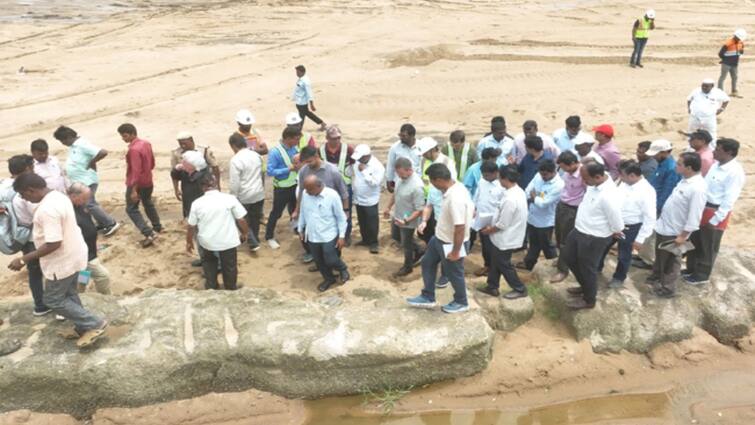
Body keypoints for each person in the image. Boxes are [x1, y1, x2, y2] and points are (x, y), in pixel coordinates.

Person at [8, 173, 108, 348]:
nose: (24, 199)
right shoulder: (58, 196)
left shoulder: (47, 210)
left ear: (30, 191)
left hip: (62, 262)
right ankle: (84, 327)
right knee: (70, 293)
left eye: (23, 195)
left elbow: (53, 243)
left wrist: (23, 259)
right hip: (76, 255)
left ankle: (94, 323)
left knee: (53, 300)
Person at [407, 163, 474, 314]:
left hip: (451, 243)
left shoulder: (455, 198)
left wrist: (456, 251)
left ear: (438, 180)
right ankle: (428, 296)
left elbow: (460, 227)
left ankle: (461, 301)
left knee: (454, 272)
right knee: (427, 262)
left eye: (431, 181)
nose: (431, 185)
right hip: (439, 237)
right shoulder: (455, 188)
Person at [562, 161, 624, 310]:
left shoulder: (609, 195)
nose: (583, 181)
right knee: (569, 258)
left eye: (585, 178)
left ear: (597, 177)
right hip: (579, 230)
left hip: (594, 236)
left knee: (587, 268)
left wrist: (614, 231)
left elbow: (617, 223)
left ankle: (589, 300)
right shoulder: (595, 183)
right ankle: (584, 286)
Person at [685, 138, 745, 285]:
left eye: (718, 149)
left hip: (715, 210)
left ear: (729, 152)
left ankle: (702, 275)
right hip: (703, 207)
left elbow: (729, 199)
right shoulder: (716, 166)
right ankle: (691, 268)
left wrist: (716, 219)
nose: (714, 152)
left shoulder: (735, 172)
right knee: (695, 239)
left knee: (709, 244)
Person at [648, 152, 706, 298]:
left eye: (679, 164)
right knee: (661, 255)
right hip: (665, 226)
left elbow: (695, 215)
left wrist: (683, 236)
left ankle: (667, 289)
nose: (676, 166)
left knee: (671, 262)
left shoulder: (697, 188)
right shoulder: (684, 180)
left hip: (676, 231)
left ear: (689, 168)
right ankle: (656, 276)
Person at [596, 160, 656, 288]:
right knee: (602, 246)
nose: (620, 178)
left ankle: (619, 277)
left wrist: (640, 239)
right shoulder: (624, 184)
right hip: (614, 224)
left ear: (632, 175)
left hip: (629, 228)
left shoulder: (647, 191)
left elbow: (650, 218)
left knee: (624, 254)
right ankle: (597, 268)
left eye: (622, 175)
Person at [187, 174, 248, 290]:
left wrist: (189, 242)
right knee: (229, 266)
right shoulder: (229, 199)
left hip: (207, 241)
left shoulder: (197, 203)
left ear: (202, 187)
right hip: (227, 240)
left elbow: (191, 226)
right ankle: (230, 287)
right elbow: (241, 219)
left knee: (209, 264)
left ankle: (211, 286)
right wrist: (245, 233)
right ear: (216, 184)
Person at [53, 125, 118, 235]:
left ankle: (110, 223)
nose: (62, 143)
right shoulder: (75, 146)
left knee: (89, 204)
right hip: (81, 180)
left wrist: (92, 162)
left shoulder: (82, 144)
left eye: (62, 140)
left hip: (87, 180)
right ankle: (102, 223)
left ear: (68, 137)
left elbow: (102, 152)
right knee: (89, 203)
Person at [476, 165, 529, 299]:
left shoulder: (511, 199)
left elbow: (503, 224)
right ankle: (492, 286)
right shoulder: (517, 191)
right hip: (502, 237)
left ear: (505, 179)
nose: (499, 181)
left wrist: (489, 230)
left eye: (500, 178)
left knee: (504, 264)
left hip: (506, 237)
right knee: (495, 261)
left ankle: (519, 288)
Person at [5, 155, 47, 316]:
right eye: (32, 167)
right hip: (35, 236)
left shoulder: (3, 187)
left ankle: (40, 305)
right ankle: (56, 304)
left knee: (34, 271)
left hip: (19, 236)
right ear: (27, 169)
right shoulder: (24, 190)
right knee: (49, 268)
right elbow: (37, 213)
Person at [294, 146, 349, 263]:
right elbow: (301, 192)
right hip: (312, 209)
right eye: (305, 162)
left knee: (331, 242)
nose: (308, 164)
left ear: (316, 156)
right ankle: (320, 262)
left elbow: (344, 192)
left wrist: (346, 210)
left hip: (330, 210)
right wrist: (297, 209)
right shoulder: (304, 170)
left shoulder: (332, 171)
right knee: (314, 239)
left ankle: (335, 264)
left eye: (309, 161)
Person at [297, 175, 349, 292]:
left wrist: (341, 236)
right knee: (319, 261)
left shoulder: (332, 195)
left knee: (331, 259)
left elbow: (341, 217)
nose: (307, 192)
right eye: (305, 189)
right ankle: (329, 278)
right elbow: (303, 212)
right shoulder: (306, 194)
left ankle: (342, 269)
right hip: (312, 235)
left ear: (318, 186)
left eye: (310, 189)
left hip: (329, 234)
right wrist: (300, 228)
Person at [119, 123, 161, 248]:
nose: (123, 139)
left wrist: (133, 189)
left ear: (132, 133)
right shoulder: (146, 144)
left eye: (125, 136)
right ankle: (157, 226)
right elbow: (152, 163)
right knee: (147, 202)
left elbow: (135, 171)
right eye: (122, 136)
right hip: (148, 180)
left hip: (137, 183)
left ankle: (149, 233)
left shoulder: (134, 150)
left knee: (131, 209)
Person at [519, 160, 564, 270]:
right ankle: (529, 263)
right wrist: (535, 198)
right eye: (541, 174)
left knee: (546, 245)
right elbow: (527, 191)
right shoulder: (538, 176)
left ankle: (553, 265)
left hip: (546, 221)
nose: (543, 177)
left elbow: (543, 204)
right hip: (533, 216)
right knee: (533, 243)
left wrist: (534, 197)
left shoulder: (559, 185)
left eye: (545, 174)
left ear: (553, 172)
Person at [383, 157, 425, 277]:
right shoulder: (400, 179)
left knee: (406, 245)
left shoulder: (417, 186)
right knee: (396, 236)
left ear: (409, 170)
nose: (399, 176)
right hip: (397, 215)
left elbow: (419, 209)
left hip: (408, 220)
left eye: (401, 173)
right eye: (398, 173)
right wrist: (388, 207)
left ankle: (408, 267)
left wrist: (406, 220)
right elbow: (396, 194)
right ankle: (419, 249)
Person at [67, 183, 111, 295]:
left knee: (83, 275)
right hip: (81, 254)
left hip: (90, 250)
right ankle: (106, 299)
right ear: (73, 196)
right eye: (84, 198)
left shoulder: (80, 205)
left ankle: (80, 294)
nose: (86, 201)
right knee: (103, 276)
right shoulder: (67, 210)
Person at [265, 126, 304, 250]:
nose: (297, 142)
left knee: (295, 209)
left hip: (295, 185)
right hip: (282, 188)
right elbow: (270, 171)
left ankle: (296, 227)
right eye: (296, 139)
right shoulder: (275, 152)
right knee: (276, 213)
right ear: (288, 138)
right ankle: (269, 236)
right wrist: (289, 168)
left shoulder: (294, 148)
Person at [550, 151, 585, 283]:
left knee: (566, 240)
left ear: (572, 164)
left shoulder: (583, 174)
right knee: (558, 236)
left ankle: (563, 270)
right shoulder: (567, 173)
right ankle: (561, 259)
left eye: (564, 167)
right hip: (562, 205)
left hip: (573, 210)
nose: (562, 170)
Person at [228, 133, 265, 252]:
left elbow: (235, 182)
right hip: (258, 192)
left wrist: (233, 197)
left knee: (240, 218)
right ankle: (255, 238)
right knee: (255, 218)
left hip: (244, 195)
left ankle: (252, 241)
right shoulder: (257, 156)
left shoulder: (235, 160)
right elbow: (261, 174)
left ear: (233, 146)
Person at [319, 125, 355, 245]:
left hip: (345, 185)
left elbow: (355, 163)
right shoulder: (321, 150)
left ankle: (346, 235)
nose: (336, 141)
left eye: (338, 138)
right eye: (333, 138)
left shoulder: (348, 149)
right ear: (327, 138)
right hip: (328, 186)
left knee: (346, 211)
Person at [171, 131, 221, 210]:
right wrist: (176, 189)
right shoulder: (176, 153)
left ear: (191, 140)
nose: (183, 146)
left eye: (184, 143)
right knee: (189, 208)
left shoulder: (203, 150)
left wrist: (217, 184)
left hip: (204, 184)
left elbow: (215, 167)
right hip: (187, 185)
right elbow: (174, 174)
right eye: (180, 144)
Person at [471, 161, 505, 277]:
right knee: (485, 246)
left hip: (495, 221)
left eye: (487, 175)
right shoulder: (482, 182)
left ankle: (496, 268)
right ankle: (488, 266)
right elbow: (477, 196)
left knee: (495, 246)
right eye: (484, 175)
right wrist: (474, 209)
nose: (485, 178)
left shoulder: (502, 185)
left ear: (496, 173)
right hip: (482, 219)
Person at [351, 144, 384, 254]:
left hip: (370, 200)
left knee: (372, 222)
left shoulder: (377, 166)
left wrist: (365, 171)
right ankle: (365, 239)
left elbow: (375, 183)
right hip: (359, 198)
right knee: (362, 220)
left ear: (367, 156)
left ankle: (374, 242)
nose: (358, 160)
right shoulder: (357, 163)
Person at [687, 79, 730, 146]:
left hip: (709, 118)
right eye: (703, 86)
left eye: (706, 86)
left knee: (711, 133)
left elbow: (726, 100)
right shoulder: (696, 91)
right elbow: (689, 99)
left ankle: (712, 148)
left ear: (712, 86)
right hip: (695, 117)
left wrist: (721, 109)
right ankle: (691, 148)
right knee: (692, 133)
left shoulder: (717, 92)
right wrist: (689, 108)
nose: (704, 88)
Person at [646, 139, 681, 214]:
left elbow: (667, 191)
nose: (653, 157)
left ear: (664, 152)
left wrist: (657, 208)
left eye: (656, 154)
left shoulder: (671, 168)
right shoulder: (661, 164)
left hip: (659, 207)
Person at [385, 123, 422, 193]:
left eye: (404, 136)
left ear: (412, 136)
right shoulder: (395, 148)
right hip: (400, 183)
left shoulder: (422, 146)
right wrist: (389, 182)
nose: (401, 138)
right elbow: (390, 165)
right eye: (400, 135)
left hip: (417, 184)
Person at [292, 65, 326, 131]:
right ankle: (322, 123)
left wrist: (311, 104)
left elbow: (309, 92)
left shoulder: (305, 81)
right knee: (307, 114)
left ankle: (298, 130)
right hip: (299, 102)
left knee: (301, 117)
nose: (296, 73)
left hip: (302, 103)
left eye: (297, 72)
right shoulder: (301, 79)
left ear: (302, 72)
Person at [717, 29, 747, 96]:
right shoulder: (728, 43)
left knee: (735, 77)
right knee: (723, 77)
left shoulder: (741, 43)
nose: (739, 39)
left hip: (735, 64)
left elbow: (742, 51)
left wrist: (739, 53)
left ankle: (734, 91)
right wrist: (725, 59)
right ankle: (720, 92)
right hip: (726, 64)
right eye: (738, 38)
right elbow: (720, 53)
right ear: (735, 36)